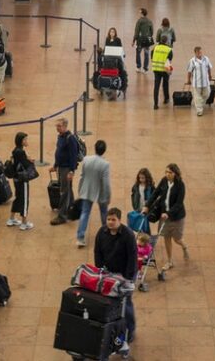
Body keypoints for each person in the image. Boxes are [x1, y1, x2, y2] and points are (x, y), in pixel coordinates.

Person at [93, 209, 138, 348]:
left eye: (113, 220)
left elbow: (132, 258)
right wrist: (101, 271)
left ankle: (130, 331)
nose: (110, 222)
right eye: (108, 219)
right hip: (109, 273)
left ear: (119, 220)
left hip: (125, 274)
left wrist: (127, 278)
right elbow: (97, 252)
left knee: (126, 303)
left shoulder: (128, 235)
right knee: (110, 302)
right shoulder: (102, 233)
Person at [141, 163, 189, 272]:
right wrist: (147, 206)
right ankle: (169, 261)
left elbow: (179, 203)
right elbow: (155, 194)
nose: (167, 174)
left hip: (176, 217)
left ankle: (184, 246)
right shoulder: (164, 181)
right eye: (166, 172)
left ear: (175, 173)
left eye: (170, 172)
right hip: (164, 216)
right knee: (166, 237)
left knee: (177, 239)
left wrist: (169, 213)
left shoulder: (180, 185)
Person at [75, 140, 113, 247]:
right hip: (100, 192)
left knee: (85, 213)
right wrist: (108, 196)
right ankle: (107, 235)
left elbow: (82, 176)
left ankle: (80, 238)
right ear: (104, 150)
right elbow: (105, 183)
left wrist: (80, 189)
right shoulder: (105, 164)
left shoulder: (86, 159)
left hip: (87, 190)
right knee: (104, 213)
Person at [49, 119, 81, 225]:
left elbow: (73, 156)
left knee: (64, 192)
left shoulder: (70, 138)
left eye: (59, 126)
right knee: (67, 190)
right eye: (56, 126)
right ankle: (73, 210)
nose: (57, 128)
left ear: (65, 126)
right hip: (61, 167)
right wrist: (55, 165)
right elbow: (59, 152)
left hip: (67, 168)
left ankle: (62, 216)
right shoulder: (60, 137)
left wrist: (71, 171)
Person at [8, 132, 35, 230]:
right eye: (26, 139)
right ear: (22, 141)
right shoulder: (21, 152)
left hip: (16, 178)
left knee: (18, 197)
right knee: (24, 199)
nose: (27, 141)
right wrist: (30, 160)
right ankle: (24, 222)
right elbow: (26, 165)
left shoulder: (15, 151)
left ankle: (11, 218)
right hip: (22, 179)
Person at [185, 45, 213, 116]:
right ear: (195, 53)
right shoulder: (192, 61)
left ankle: (199, 104)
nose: (200, 54)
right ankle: (199, 111)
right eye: (198, 53)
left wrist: (210, 75)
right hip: (197, 83)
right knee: (197, 96)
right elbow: (189, 71)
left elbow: (209, 68)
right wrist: (188, 80)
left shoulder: (206, 59)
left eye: (201, 52)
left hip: (205, 82)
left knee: (207, 94)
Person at [151, 34, 174, 109]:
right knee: (165, 84)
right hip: (165, 70)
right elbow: (169, 59)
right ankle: (166, 99)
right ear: (166, 41)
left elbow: (152, 56)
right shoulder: (169, 49)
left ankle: (155, 104)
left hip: (156, 69)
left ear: (160, 40)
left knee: (156, 87)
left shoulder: (155, 48)